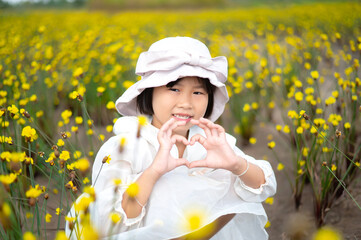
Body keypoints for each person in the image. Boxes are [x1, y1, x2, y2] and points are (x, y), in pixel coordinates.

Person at [66, 36, 277, 240]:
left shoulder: (208, 141)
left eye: (198, 93)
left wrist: (235, 164)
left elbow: (263, 187)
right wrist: (154, 171)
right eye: (174, 89)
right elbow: (111, 220)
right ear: (149, 92)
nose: (186, 103)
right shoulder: (126, 145)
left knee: (231, 179)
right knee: (165, 184)